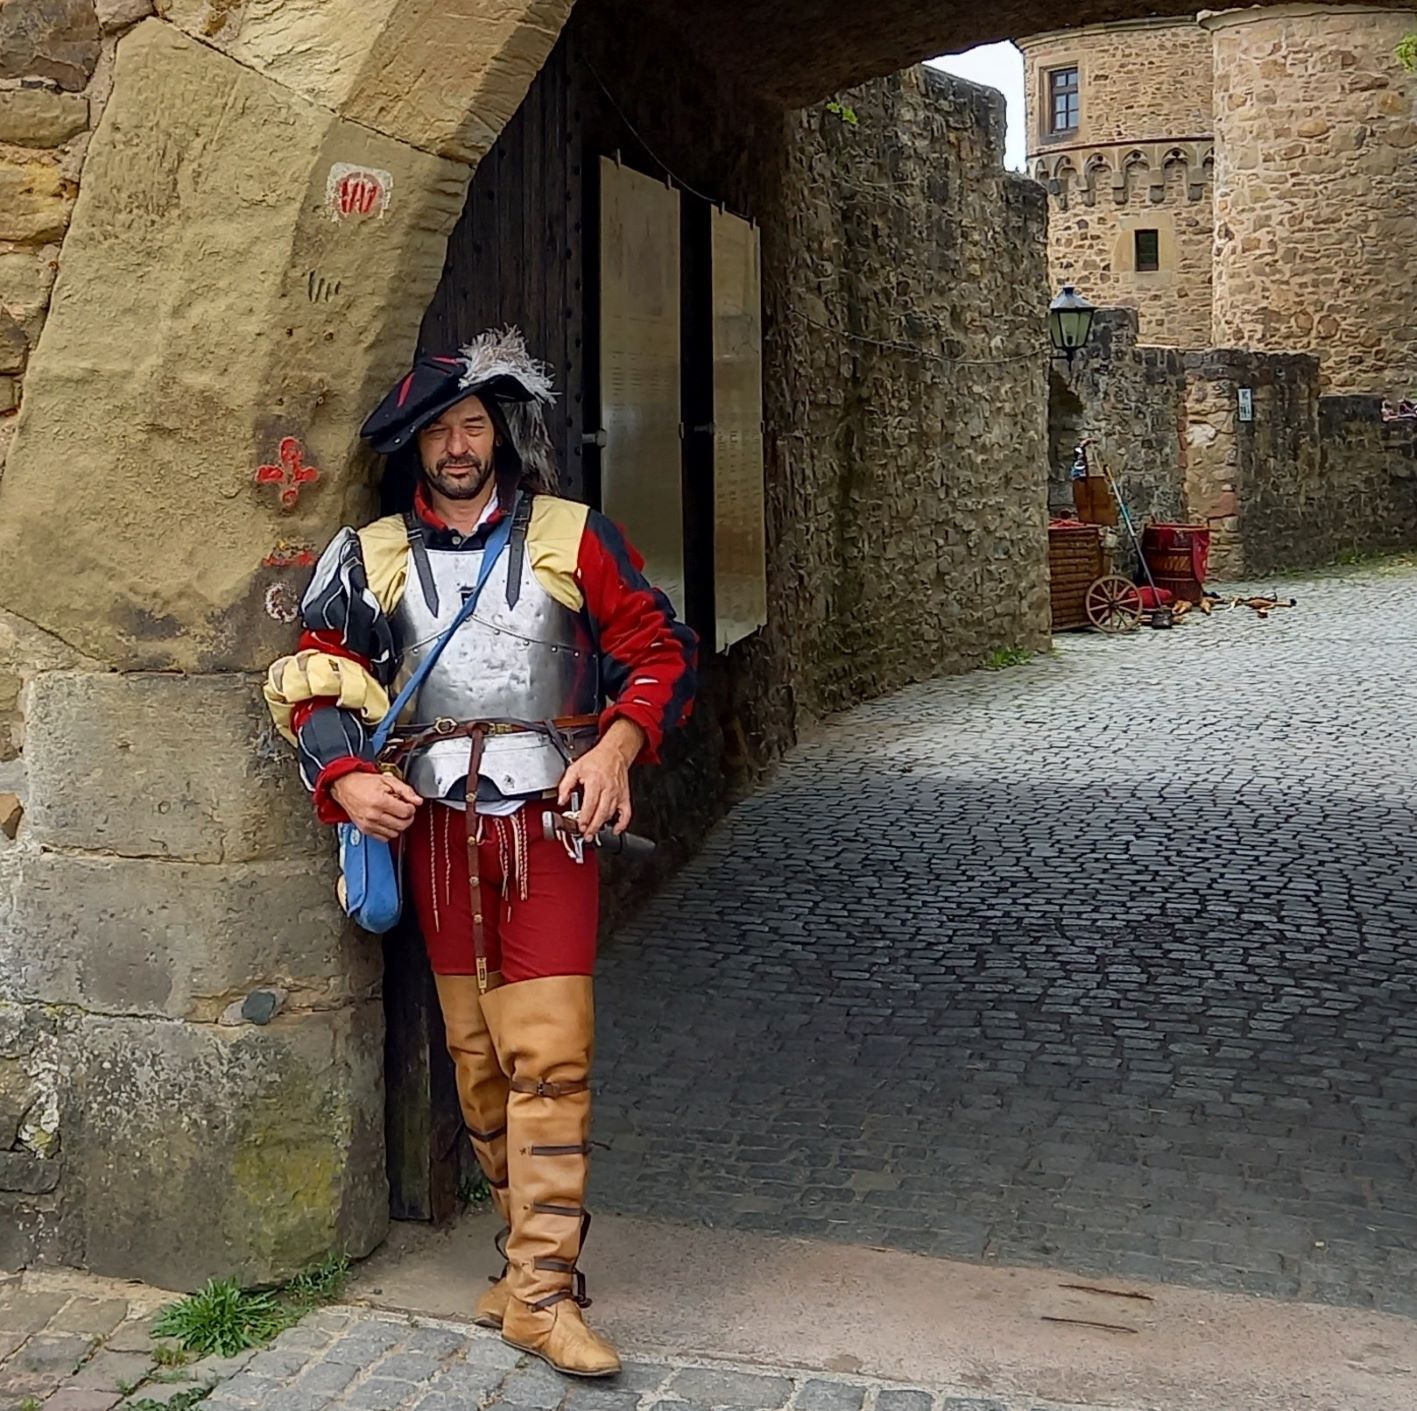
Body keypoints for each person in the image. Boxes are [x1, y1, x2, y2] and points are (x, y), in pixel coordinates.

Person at [264, 328, 698, 1378]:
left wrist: (619, 744)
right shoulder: (370, 557)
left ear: (500, 435)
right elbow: (314, 677)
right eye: (439, 430)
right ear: (415, 448)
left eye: (474, 425)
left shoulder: (570, 534)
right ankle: (519, 1264)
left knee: (548, 1049)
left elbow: (657, 648)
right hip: (439, 831)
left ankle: (548, 1292)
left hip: (547, 822)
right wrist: (348, 778)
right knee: (477, 1058)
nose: (459, 444)